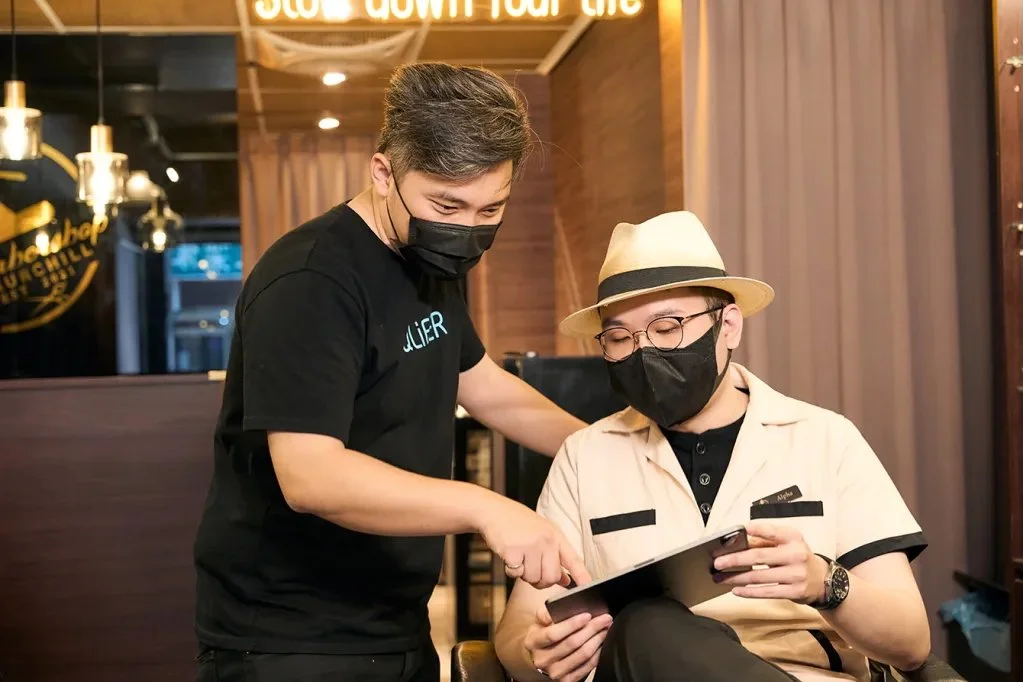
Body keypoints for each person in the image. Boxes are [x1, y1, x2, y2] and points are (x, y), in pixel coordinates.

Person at [193, 62, 592, 682]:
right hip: (290, 636)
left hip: (395, 617)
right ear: (384, 173)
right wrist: (486, 508)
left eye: (491, 209)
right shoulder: (312, 280)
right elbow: (311, 476)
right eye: (447, 205)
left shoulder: (428, 258)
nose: (466, 231)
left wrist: (600, 446)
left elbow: (484, 385)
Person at [493, 211, 932, 682]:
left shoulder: (826, 439)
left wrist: (824, 582)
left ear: (728, 326)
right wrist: (536, 653)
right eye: (619, 338)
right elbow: (519, 628)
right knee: (644, 624)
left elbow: (910, 643)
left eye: (667, 328)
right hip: (644, 667)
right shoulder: (584, 458)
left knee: (644, 622)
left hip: (806, 674)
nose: (643, 352)